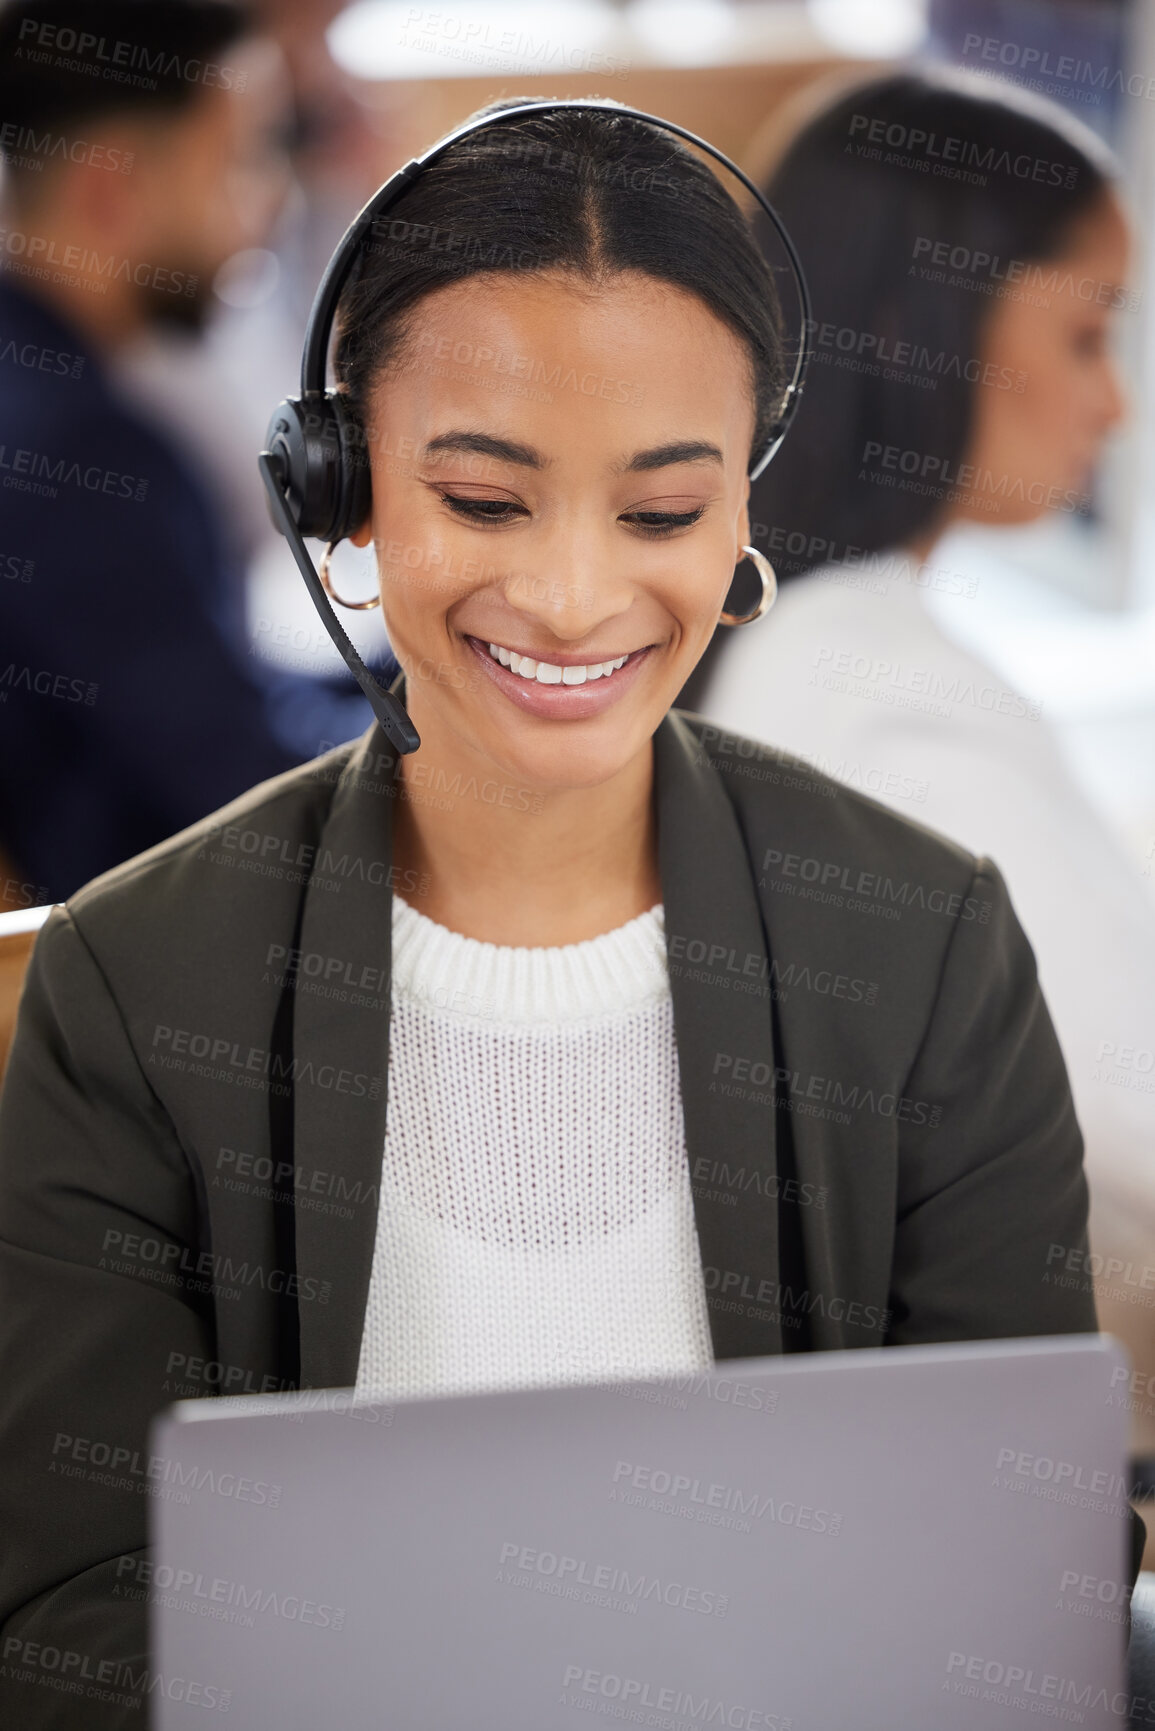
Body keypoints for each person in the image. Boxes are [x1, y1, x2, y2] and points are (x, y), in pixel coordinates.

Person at [0, 97, 1143, 1727]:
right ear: (342, 493)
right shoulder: (139, 982)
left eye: (663, 511)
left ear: (746, 504)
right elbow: (72, 1621)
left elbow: (1032, 1572)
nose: (573, 596)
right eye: (482, 499)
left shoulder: (926, 946)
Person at [680, 67, 1155, 1462]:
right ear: (920, 326)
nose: (1110, 404)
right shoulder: (866, 679)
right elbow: (1119, 1132)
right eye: (1082, 333)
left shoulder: (808, 634)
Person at [0, 0, 392, 907]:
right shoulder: (79, 458)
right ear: (112, 191)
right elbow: (242, 784)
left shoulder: (52, 396)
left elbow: (208, 687)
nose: (271, 203)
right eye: (246, 157)